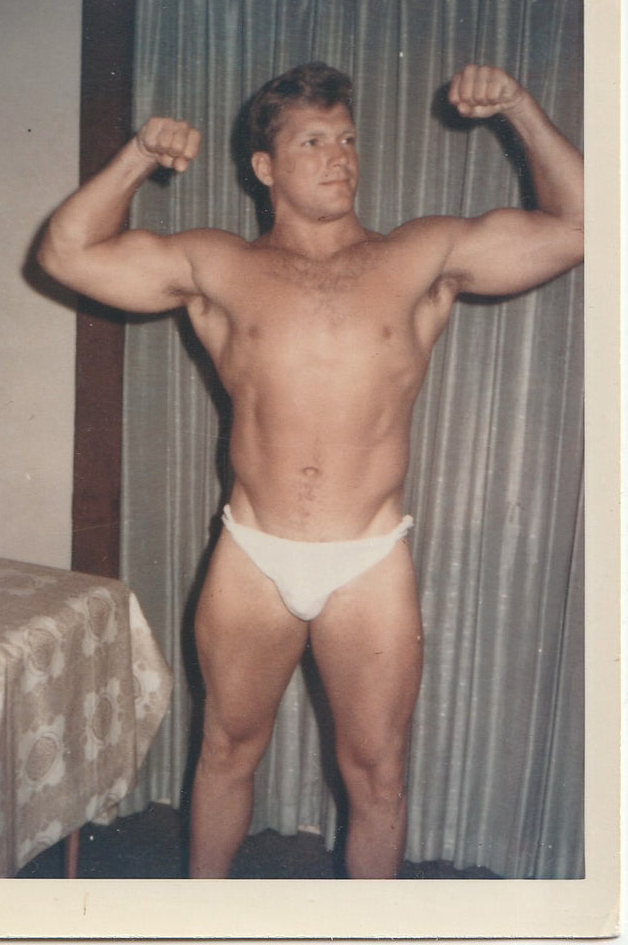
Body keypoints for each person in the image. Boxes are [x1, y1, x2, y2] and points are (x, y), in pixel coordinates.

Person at [38, 62, 583, 879]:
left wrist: (519, 110)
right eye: (314, 140)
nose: (341, 157)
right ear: (265, 167)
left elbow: (586, 223)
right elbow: (67, 253)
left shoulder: (421, 253)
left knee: (379, 777)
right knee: (224, 752)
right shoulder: (216, 264)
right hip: (253, 553)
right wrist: (137, 157)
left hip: (367, 558)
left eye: (348, 139)